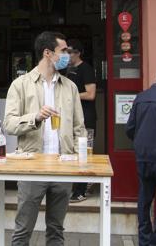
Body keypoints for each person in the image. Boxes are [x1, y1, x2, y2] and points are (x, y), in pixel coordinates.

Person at [4, 31, 85, 246]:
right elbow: (9, 124)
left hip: (63, 166)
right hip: (32, 166)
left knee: (56, 230)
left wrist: (78, 161)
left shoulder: (71, 87)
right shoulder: (20, 85)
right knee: (22, 230)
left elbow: (79, 129)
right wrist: (35, 117)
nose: (68, 54)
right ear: (47, 53)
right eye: (64, 51)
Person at [126, 69, 156, 246]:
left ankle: (144, 239)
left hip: (143, 157)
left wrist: (141, 144)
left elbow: (129, 128)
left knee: (144, 199)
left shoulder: (140, 97)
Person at [66, 39, 97, 203]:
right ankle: (76, 187)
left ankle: (82, 190)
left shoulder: (86, 69)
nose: (67, 55)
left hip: (87, 119)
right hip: (73, 120)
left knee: (86, 154)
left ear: (78, 53)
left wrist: (70, 96)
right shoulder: (69, 70)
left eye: (69, 52)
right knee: (74, 154)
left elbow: (91, 94)